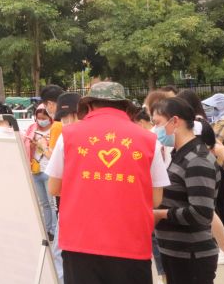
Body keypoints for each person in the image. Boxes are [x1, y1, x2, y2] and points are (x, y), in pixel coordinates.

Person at [46, 82, 170, 284]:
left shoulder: (68, 136)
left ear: (89, 105)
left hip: (80, 241)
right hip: (130, 243)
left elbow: (53, 188)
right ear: (125, 107)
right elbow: (155, 199)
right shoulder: (149, 140)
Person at [153, 97, 220, 284]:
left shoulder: (197, 159)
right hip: (176, 252)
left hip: (192, 255)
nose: (155, 129)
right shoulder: (179, 154)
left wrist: (160, 214)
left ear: (175, 121)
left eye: (158, 123)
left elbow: (201, 213)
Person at [203, 93, 224, 248]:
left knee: (223, 204)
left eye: (214, 107)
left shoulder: (223, 122)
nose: (210, 110)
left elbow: (212, 142)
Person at [23, 106, 57, 238]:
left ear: (50, 118)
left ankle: (54, 230)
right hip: (35, 169)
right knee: (43, 203)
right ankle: (47, 229)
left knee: (52, 203)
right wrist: (31, 144)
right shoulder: (32, 129)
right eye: (39, 118)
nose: (41, 121)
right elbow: (26, 145)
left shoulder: (55, 129)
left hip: (49, 169)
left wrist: (43, 144)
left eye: (44, 118)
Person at [40, 85, 66, 150]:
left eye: (45, 106)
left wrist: (43, 145)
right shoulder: (70, 120)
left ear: (50, 104)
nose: (45, 108)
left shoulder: (57, 125)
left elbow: (52, 154)